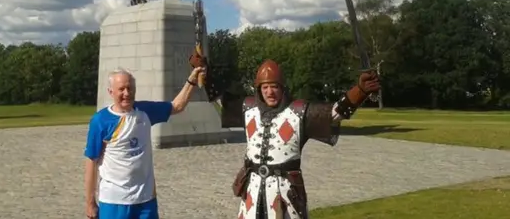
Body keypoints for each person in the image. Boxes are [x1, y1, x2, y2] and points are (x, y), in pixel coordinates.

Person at [228, 59, 381, 219]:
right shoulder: (249, 110)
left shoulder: (299, 113)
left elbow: (334, 114)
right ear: (259, 90)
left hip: (285, 193)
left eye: (274, 86)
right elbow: (220, 100)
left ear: (282, 88)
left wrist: (360, 91)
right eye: (265, 87)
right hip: (252, 190)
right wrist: (202, 72)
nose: (270, 92)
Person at [84, 64, 205, 219]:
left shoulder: (145, 111)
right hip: (114, 201)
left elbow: (177, 106)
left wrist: (192, 80)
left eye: (130, 88)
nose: (127, 93)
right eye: (121, 89)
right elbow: (91, 161)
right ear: (110, 91)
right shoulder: (101, 120)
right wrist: (89, 202)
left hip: (146, 201)